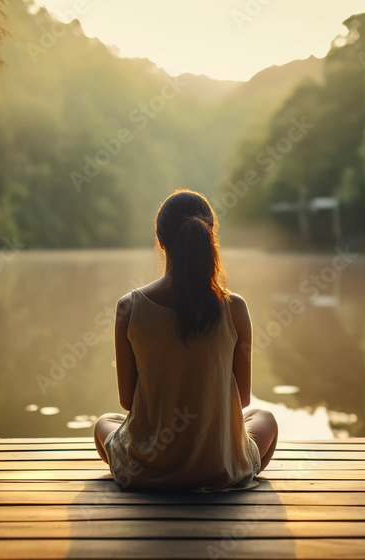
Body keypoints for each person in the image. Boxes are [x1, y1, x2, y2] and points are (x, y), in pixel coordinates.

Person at [93, 189, 278, 491]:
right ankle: (229, 463)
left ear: (161, 242)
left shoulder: (129, 307)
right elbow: (242, 399)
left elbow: (127, 402)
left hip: (146, 471)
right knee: (264, 417)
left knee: (104, 423)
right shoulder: (235, 308)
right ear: (210, 238)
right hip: (220, 469)